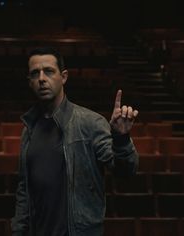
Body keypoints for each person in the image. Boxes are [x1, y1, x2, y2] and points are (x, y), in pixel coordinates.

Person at [11, 47, 139, 236]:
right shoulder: (28, 130)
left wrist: (121, 139)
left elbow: (126, 171)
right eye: (34, 74)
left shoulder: (90, 123)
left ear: (63, 77)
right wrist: (18, 231)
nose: (41, 79)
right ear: (29, 82)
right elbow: (24, 189)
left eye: (48, 71)